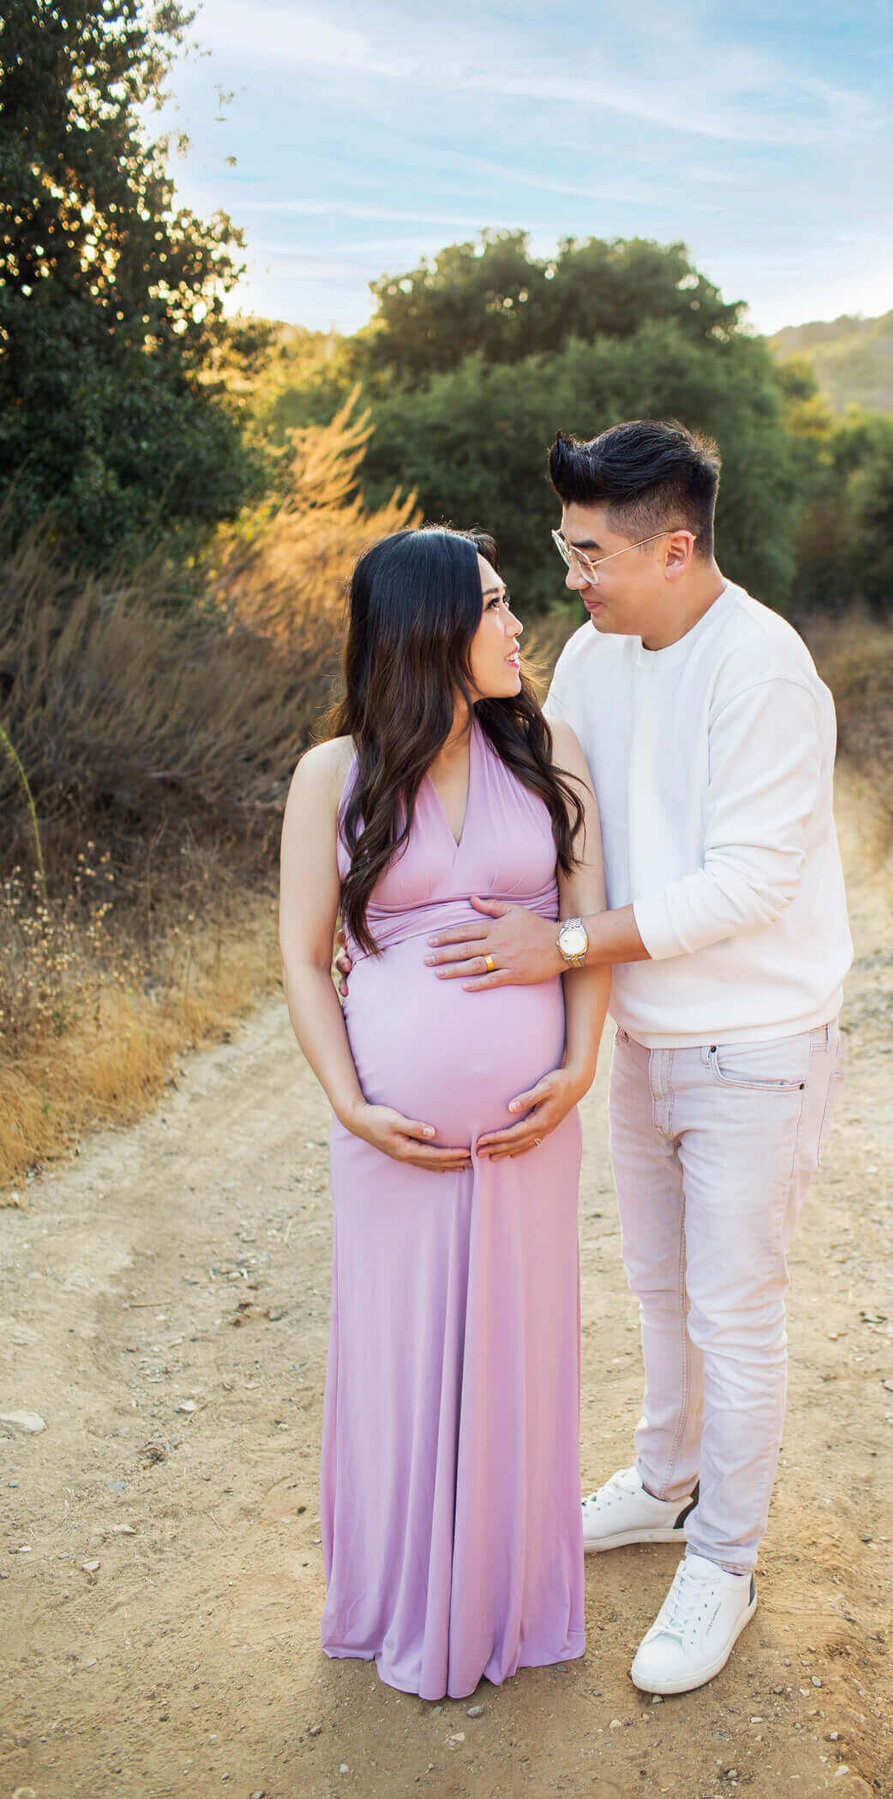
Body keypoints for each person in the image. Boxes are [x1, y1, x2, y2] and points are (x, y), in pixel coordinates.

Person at [425, 420, 853, 1696]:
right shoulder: (600, 658)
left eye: (589, 553)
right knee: (659, 1291)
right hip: (652, 1043)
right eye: (562, 551)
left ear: (676, 548)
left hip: (759, 1047)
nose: (572, 578)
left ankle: (725, 1554)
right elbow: (542, 803)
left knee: (734, 1309)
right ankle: (667, 1484)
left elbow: (746, 887)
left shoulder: (765, 671)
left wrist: (558, 948)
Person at [278, 526, 609, 1701]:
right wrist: (352, 1104)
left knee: (521, 1354)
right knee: (402, 1361)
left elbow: (587, 927)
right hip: (395, 1146)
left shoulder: (548, 749)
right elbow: (305, 961)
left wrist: (577, 1072)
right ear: (428, 631)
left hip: (530, 1128)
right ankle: (404, 1600)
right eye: (497, 606)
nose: (520, 626)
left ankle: (510, 1603)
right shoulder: (334, 774)